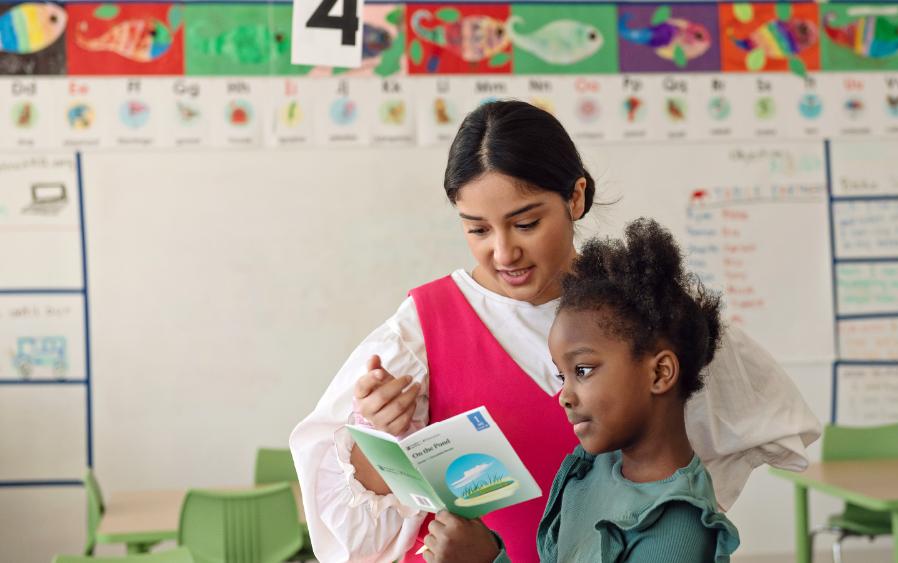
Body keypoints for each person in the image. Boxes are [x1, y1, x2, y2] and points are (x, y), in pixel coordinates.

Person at [289, 101, 820, 562]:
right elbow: (351, 533)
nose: (503, 252)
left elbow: (735, 436)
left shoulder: (637, 308)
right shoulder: (419, 331)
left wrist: (667, 513)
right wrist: (379, 434)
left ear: (575, 198)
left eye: (525, 223)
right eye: (476, 229)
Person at [423, 218, 740, 562]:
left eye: (583, 370)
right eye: (562, 376)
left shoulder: (676, 525)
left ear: (660, 373)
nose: (565, 396)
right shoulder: (591, 469)